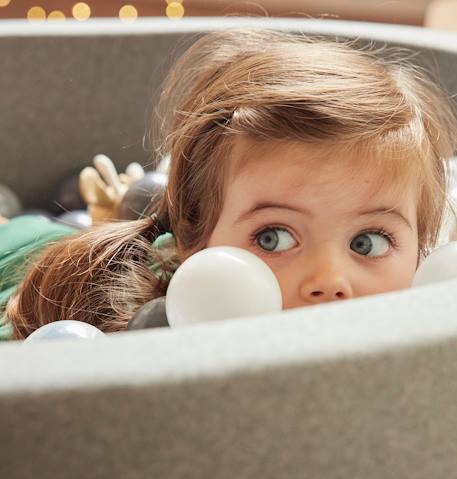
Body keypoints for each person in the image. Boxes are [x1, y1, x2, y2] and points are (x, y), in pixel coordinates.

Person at [1, 28, 457, 340]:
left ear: (422, 250)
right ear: (192, 240)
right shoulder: (128, 340)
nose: (331, 281)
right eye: (273, 237)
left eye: (369, 243)